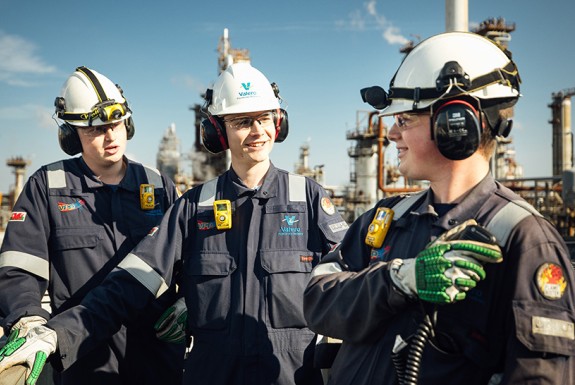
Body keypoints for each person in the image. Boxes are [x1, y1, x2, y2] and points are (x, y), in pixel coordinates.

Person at [0, 62, 349, 385]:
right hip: (187, 370)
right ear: (218, 132)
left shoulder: (309, 199)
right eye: (242, 121)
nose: (257, 131)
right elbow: (130, 283)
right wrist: (54, 333)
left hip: (286, 372)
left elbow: (357, 281)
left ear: (279, 122)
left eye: (265, 118)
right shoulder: (193, 207)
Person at [303, 31, 575, 385]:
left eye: (405, 121)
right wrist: (397, 280)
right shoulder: (387, 218)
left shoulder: (523, 240)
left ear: (455, 125)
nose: (391, 135)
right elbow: (316, 301)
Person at [0, 66, 184, 385]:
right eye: (94, 130)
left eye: (115, 123)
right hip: (82, 360)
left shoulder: (158, 186)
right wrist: (27, 321)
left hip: (156, 361)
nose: (110, 136)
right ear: (72, 135)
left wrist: (189, 302)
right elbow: (18, 268)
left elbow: (185, 261)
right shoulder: (48, 187)